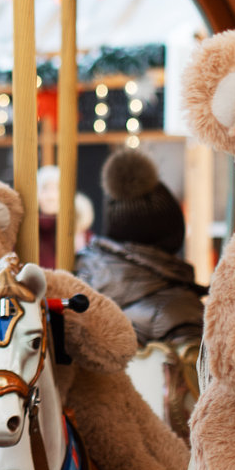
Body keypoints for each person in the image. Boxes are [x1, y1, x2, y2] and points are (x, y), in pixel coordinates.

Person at [74, 148, 205, 440]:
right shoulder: (180, 310)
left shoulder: (79, 285)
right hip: (166, 456)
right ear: (170, 235)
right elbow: (202, 406)